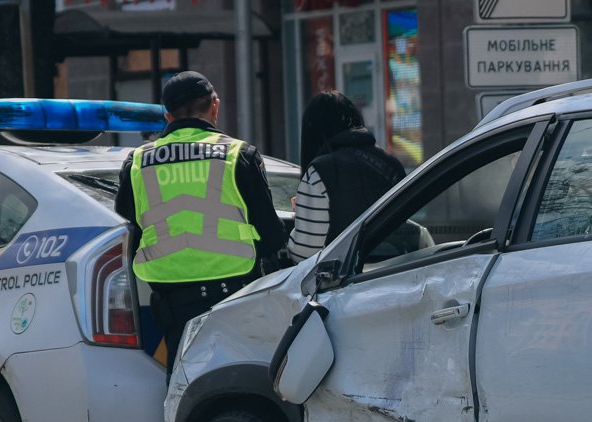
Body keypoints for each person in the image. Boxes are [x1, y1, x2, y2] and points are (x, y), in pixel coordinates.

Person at [116, 71, 287, 372]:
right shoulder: (239, 155)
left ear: (168, 116)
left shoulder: (137, 162)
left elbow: (128, 225)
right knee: (243, 383)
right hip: (236, 296)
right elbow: (272, 236)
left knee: (184, 390)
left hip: (173, 304)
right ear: (214, 105)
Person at [287, 90, 407, 263]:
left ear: (312, 132)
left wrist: (301, 214)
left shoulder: (320, 172)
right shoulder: (391, 164)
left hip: (346, 282)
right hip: (397, 272)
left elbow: (303, 253)